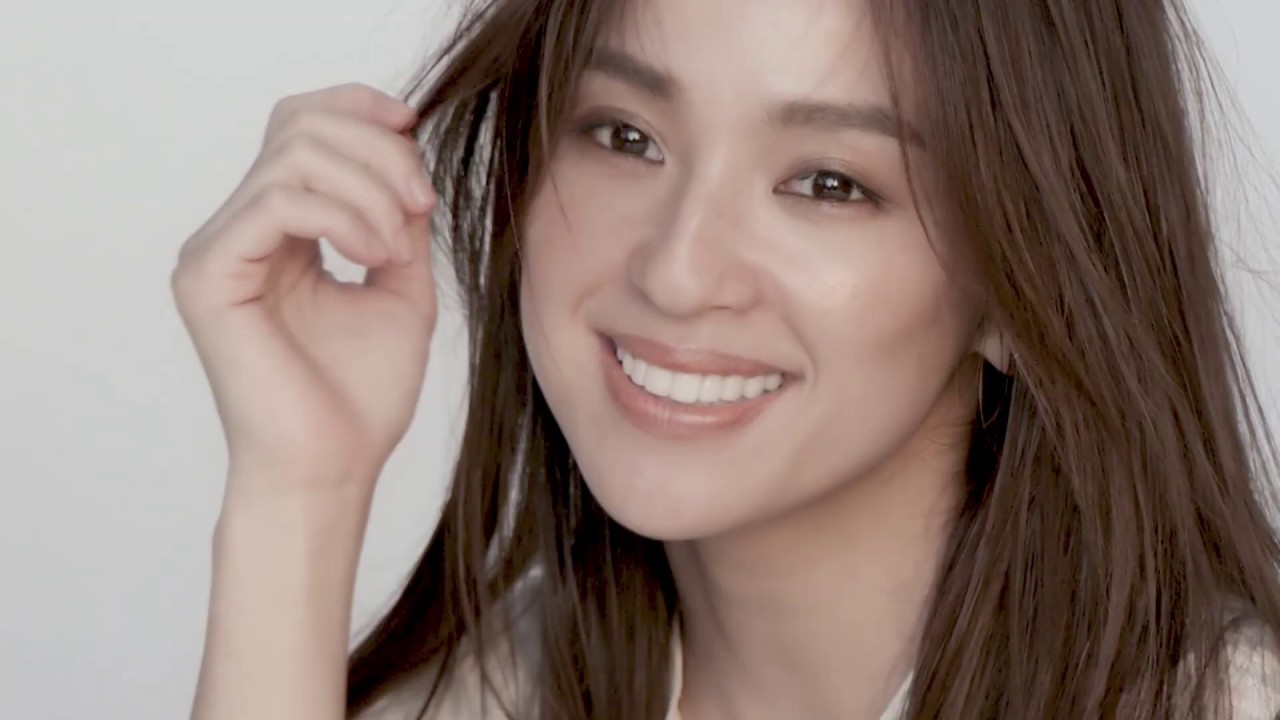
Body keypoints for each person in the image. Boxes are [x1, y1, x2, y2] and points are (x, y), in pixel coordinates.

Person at [171, 0, 1280, 717]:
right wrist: (299, 493)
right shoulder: (501, 685)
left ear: (1021, 290)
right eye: (625, 135)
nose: (676, 271)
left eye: (828, 183)